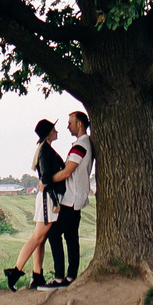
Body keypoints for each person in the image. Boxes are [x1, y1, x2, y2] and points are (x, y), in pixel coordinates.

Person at [4, 119, 62, 290]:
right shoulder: (45, 151)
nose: (57, 132)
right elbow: (46, 178)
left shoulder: (45, 150)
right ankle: (15, 271)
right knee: (37, 238)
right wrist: (55, 201)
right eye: (54, 129)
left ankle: (37, 275)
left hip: (46, 197)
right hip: (48, 199)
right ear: (48, 133)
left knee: (40, 239)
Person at [47, 109, 92, 285]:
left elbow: (67, 172)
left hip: (71, 199)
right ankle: (71, 275)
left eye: (70, 123)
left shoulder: (80, 146)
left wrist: (47, 180)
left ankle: (59, 277)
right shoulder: (85, 144)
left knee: (54, 234)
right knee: (71, 237)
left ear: (79, 124)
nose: (67, 127)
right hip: (77, 198)